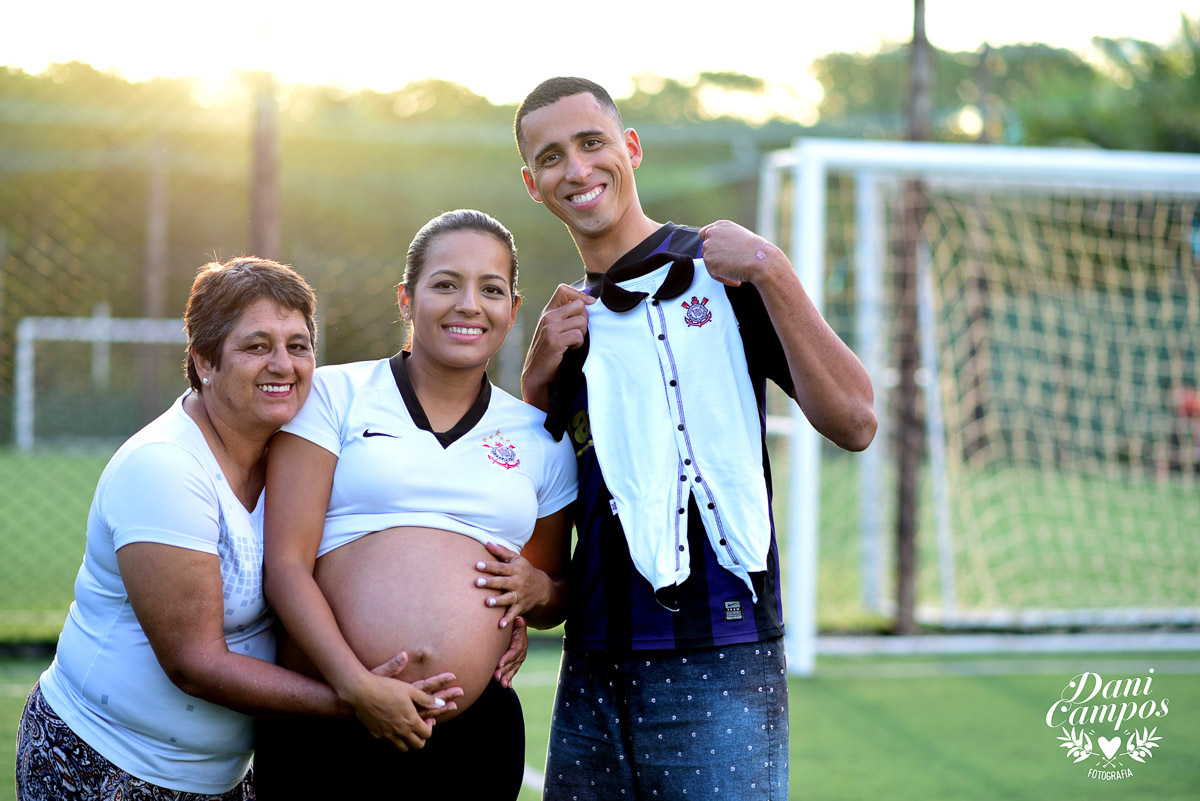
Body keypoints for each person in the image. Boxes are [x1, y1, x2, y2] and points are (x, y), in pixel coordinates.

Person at [514, 77, 878, 800]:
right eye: (553, 157)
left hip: (723, 655)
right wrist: (534, 389)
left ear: (632, 149)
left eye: (592, 144)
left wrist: (773, 269)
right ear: (533, 184)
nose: (577, 170)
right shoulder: (565, 329)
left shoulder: (729, 273)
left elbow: (857, 420)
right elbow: (548, 510)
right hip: (591, 665)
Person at [14, 258, 460, 801]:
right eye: (256, 347)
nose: (283, 365)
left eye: (298, 346)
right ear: (204, 361)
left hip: (223, 778)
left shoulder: (303, 453)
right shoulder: (163, 467)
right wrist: (354, 698)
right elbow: (194, 663)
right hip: (104, 763)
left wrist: (505, 602)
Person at [254, 209, 577, 800]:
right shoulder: (332, 394)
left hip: (471, 739)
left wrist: (538, 590)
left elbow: (553, 592)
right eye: (446, 284)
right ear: (407, 298)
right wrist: (355, 685)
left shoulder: (541, 438)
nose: (469, 304)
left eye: (491, 289)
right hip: (328, 718)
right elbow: (285, 565)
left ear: (513, 308)